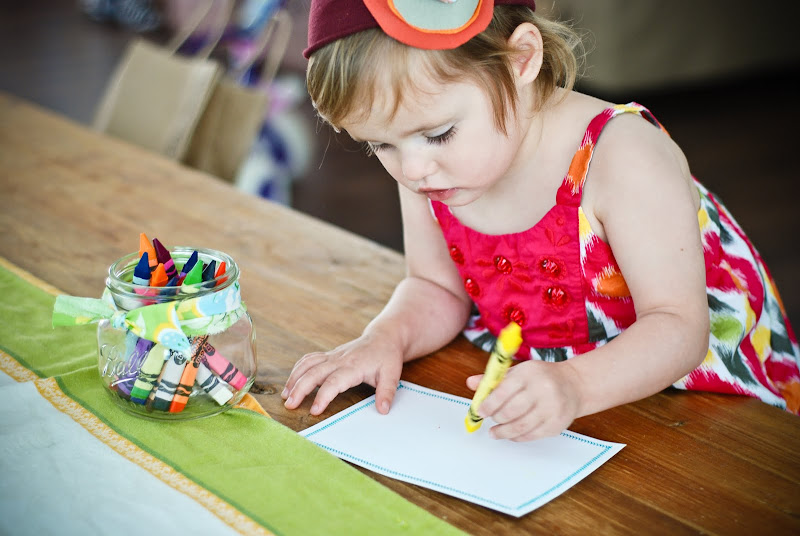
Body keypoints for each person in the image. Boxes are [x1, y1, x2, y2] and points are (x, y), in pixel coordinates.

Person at [282, 0, 800, 441]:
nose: (412, 170)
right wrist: (385, 337)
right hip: (544, 399)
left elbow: (680, 329)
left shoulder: (623, 157)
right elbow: (434, 287)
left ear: (521, 60)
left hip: (692, 403)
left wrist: (575, 384)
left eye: (438, 134)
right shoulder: (430, 166)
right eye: (379, 145)